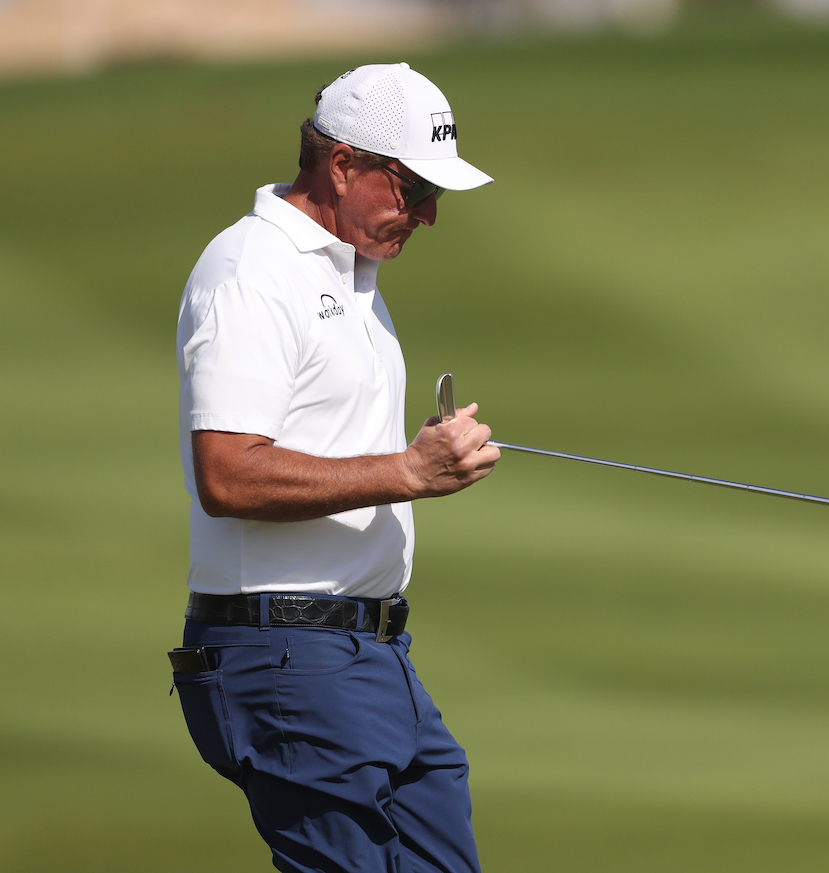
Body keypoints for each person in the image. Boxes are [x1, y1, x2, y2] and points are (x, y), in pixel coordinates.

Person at [169, 63, 501, 873]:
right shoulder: (253, 270)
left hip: (371, 653)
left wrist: (411, 458)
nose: (425, 214)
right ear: (342, 162)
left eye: (435, 196)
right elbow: (229, 475)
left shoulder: (350, 275)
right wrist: (407, 471)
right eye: (412, 187)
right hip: (288, 654)